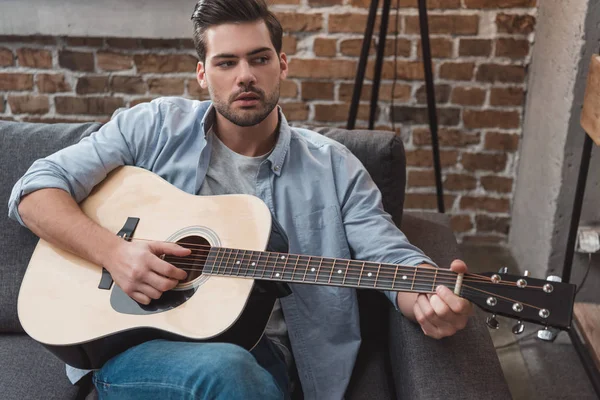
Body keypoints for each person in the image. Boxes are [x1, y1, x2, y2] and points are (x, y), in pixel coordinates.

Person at [8, 0, 473, 398]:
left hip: (264, 362)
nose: (245, 76)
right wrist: (115, 252)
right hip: (134, 345)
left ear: (282, 64)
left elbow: (389, 257)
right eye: (227, 62)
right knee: (224, 372)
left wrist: (429, 302)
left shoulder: (335, 166)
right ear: (201, 74)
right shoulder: (151, 127)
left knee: (233, 373)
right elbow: (34, 191)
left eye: (259, 59)